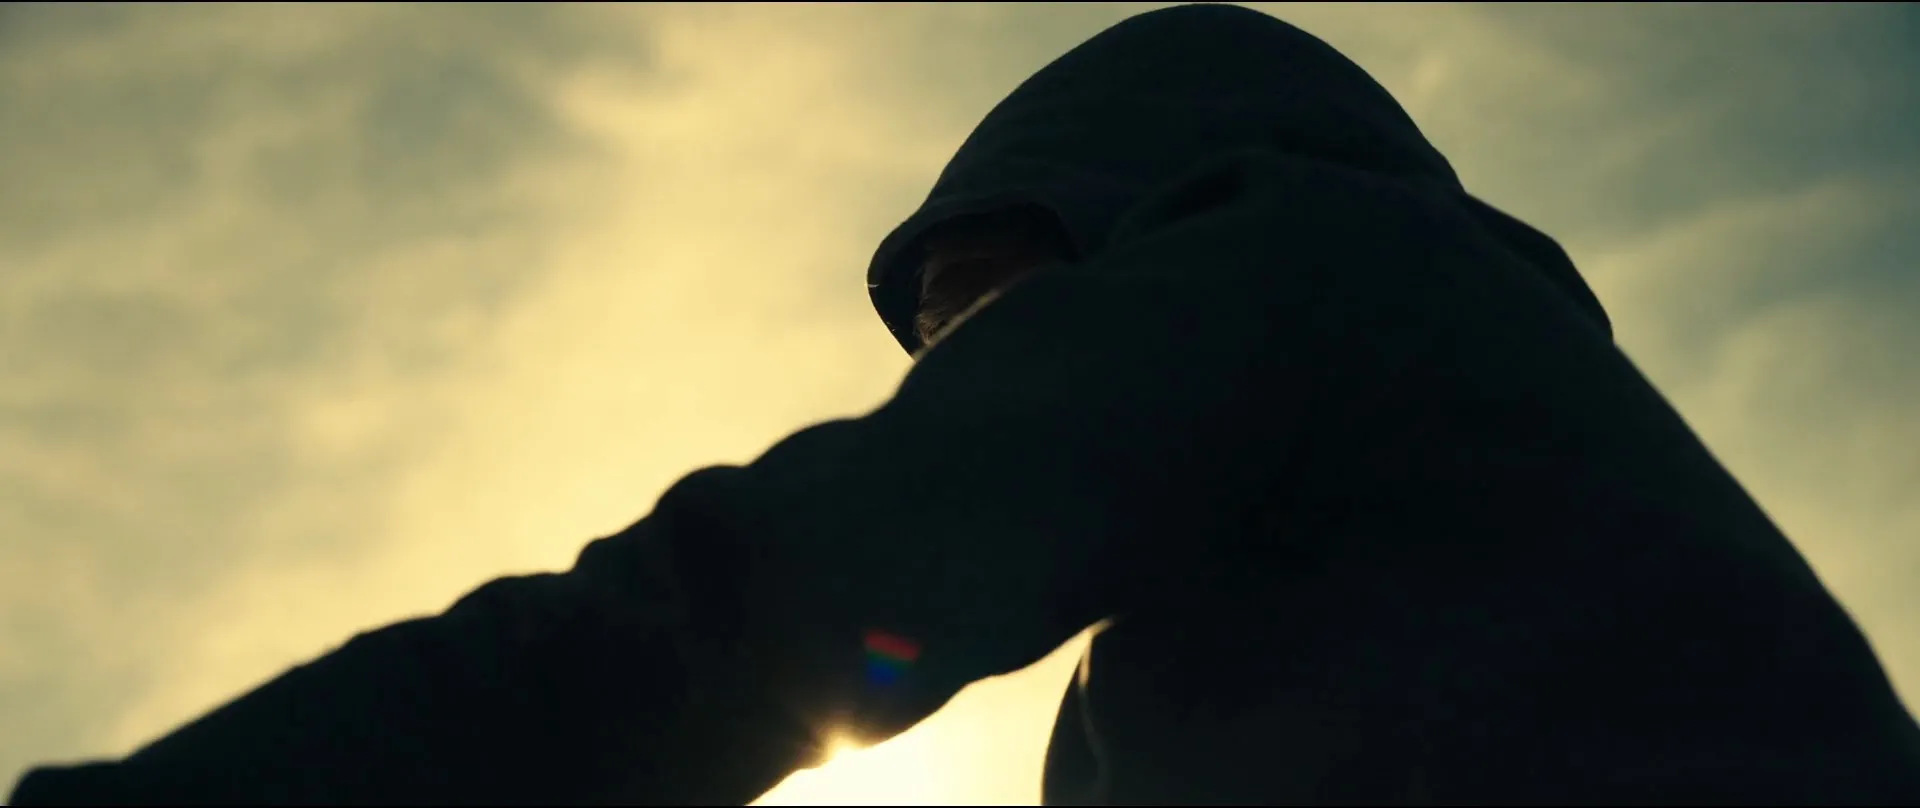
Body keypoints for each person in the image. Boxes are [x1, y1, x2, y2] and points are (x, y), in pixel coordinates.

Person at [12, 4, 1920, 805]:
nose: (974, 385)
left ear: (1138, 231)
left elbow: (731, 615)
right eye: (942, 357)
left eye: (998, 320)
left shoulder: (1309, 273)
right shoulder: (1261, 625)